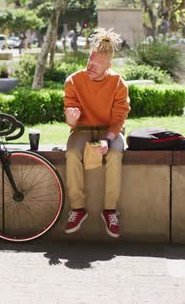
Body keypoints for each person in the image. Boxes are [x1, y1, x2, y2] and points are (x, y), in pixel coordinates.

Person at [63, 28, 130, 238]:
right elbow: (70, 114)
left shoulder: (118, 83)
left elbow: (119, 118)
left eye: (96, 65)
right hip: (82, 129)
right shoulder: (73, 81)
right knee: (72, 153)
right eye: (89, 62)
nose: (90, 67)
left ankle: (110, 210)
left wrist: (108, 140)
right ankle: (77, 208)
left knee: (115, 153)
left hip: (108, 130)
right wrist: (70, 119)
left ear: (108, 65)